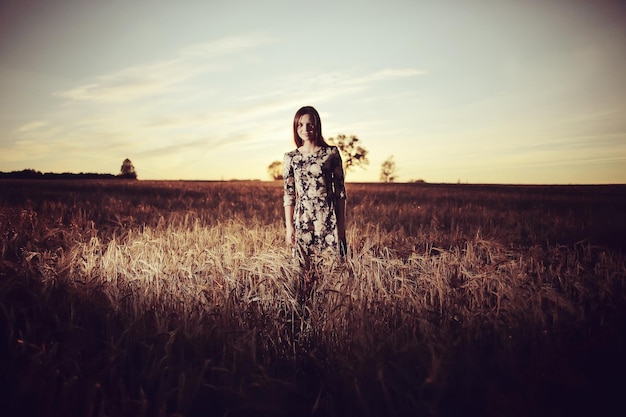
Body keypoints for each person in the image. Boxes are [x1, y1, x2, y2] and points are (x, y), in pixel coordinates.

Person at [283, 106, 347, 293]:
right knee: (304, 273)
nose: (305, 129)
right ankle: (305, 314)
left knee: (332, 272)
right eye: (300, 125)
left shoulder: (331, 153)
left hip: (328, 218)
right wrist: (289, 227)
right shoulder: (291, 158)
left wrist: (341, 226)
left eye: (310, 124)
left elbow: (341, 192)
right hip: (303, 220)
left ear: (317, 125)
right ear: (296, 128)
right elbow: (288, 195)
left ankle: (330, 314)